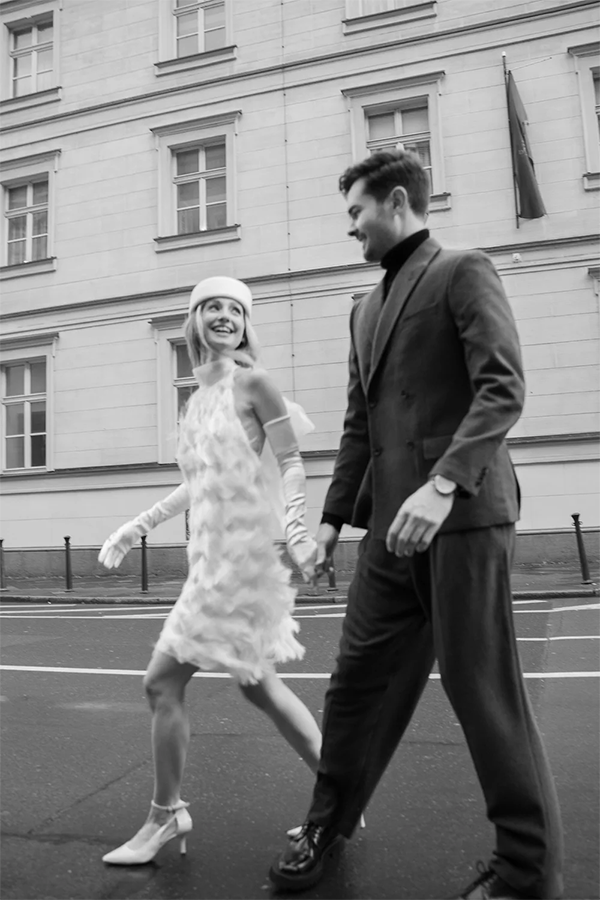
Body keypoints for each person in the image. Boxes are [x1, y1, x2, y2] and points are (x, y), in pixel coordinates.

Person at [268, 150, 564, 899]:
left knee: (481, 689)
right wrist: (333, 520)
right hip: (388, 533)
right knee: (355, 683)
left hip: (460, 516)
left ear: (396, 202)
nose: (350, 228)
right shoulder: (363, 309)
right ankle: (327, 825)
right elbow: (358, 425)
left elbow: (502, 388)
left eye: (356, 212)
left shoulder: (463, 270)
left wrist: (442, 484)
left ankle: (526, 871)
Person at [99, 276, 322, 865]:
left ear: (246, 326)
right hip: (209, 560)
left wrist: (298, 531)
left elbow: (291, 461)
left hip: (238, 562)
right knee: (259, 687)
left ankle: (165, 815)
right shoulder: (198, 399)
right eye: (213, 308)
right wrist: (138, 525)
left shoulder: (254, 383)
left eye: (235, 310)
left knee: (162, 683)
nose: (225, 316)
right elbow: (196, 483)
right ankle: (339, 796)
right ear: (195, 321)